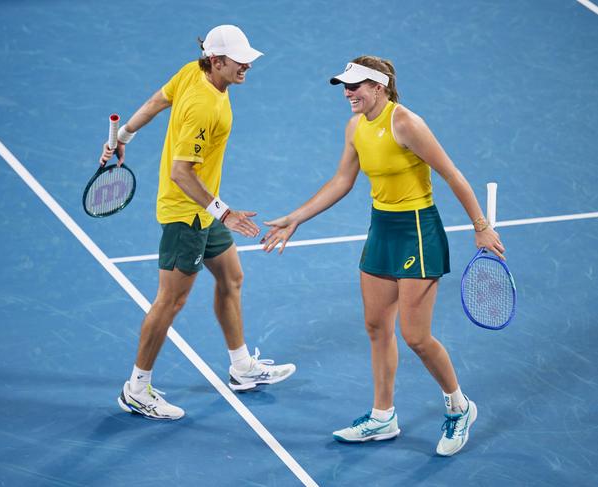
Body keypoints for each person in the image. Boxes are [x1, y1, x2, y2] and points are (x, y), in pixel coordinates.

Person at [261, 57, 505, 456]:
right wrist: (296, 218)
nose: (347, 93)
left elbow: (453, 175)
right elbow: (343, 179)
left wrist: (481, 226)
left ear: (380, 86)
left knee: (416, 337)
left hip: (417, 234)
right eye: (345, 86)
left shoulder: (406, 123)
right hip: (382, 230)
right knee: (376, 326)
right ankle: (383, 416)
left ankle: (459, 407)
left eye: (355, 86)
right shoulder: (356, 126)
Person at [100, 25, 296, 421]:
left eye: (247, 59)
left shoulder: (193, 70)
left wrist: (124, 134)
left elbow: (158, 99)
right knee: (170, 302)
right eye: (238, 61)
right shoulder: (207, 107)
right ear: (217, 61)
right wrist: (224, 211)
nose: (247, 65)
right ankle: (136, 389)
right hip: (186, 213)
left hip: (203, 209)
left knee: (231, 278)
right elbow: (180, 173)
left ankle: (241, 367)